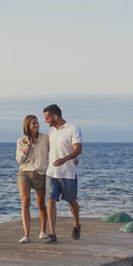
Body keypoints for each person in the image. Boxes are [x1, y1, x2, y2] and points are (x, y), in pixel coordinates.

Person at [43, 104, 83, 243]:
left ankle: (76, 224)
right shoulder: (51, 132)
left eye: (47, 118)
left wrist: (66, 159)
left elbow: (78, 149)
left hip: (68, 173)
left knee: (72, 202)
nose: (46, 121)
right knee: (51, 200)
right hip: (52, 172)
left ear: (55, 116)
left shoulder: (73, 129)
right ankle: (52, 234)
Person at [16, 115, 49, 243]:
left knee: (40, 204)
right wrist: (27, 147)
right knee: (25, 201)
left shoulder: (45, 139)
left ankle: (43, 230)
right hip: (25, 173)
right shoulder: (21, 141)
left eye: (37, 123)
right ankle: (27, 235)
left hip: (41, 173)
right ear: (28, 126)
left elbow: (56, 149)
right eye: (33, 123)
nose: (37, 125)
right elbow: (19, 159)